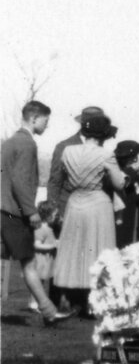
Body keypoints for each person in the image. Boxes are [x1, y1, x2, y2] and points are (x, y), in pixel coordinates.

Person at [1, 101, 74, 326]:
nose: (47, 125)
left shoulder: (9, 143)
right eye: (45, 120)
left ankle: (48, 310)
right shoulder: (27, 144)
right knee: (29, 264)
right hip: (15, 214)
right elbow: (21, 182)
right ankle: (49, 312)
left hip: (2, 212)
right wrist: (31, 212)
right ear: (34, 119)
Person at [51, 112, 126, 316]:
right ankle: (93, 302)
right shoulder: (105, 154)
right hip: (97, 202)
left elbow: (61, 177)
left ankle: (69, 298)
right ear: (103, 135)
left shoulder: (68, 151)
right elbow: (119, 183)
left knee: (74, 251)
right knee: (98, 250)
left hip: (75, 202)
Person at [47, 105, 110, 219]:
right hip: (67, 209)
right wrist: (53, 211)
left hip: (93, 211)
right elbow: (55, 182)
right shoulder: (64, 146)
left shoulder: (100, 147)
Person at [33, 200, 60, 301]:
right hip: (40, 261)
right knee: (37, 283)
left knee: (41, 283)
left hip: (46, 261)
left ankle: (38, 301)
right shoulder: (41, 229)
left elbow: (50, 240)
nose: (55, 218)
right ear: (47, 215)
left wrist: (56, 242)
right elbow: (36, 245)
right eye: (54, 215)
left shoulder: (49, 229)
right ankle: (33, 302)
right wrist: (51, 246)